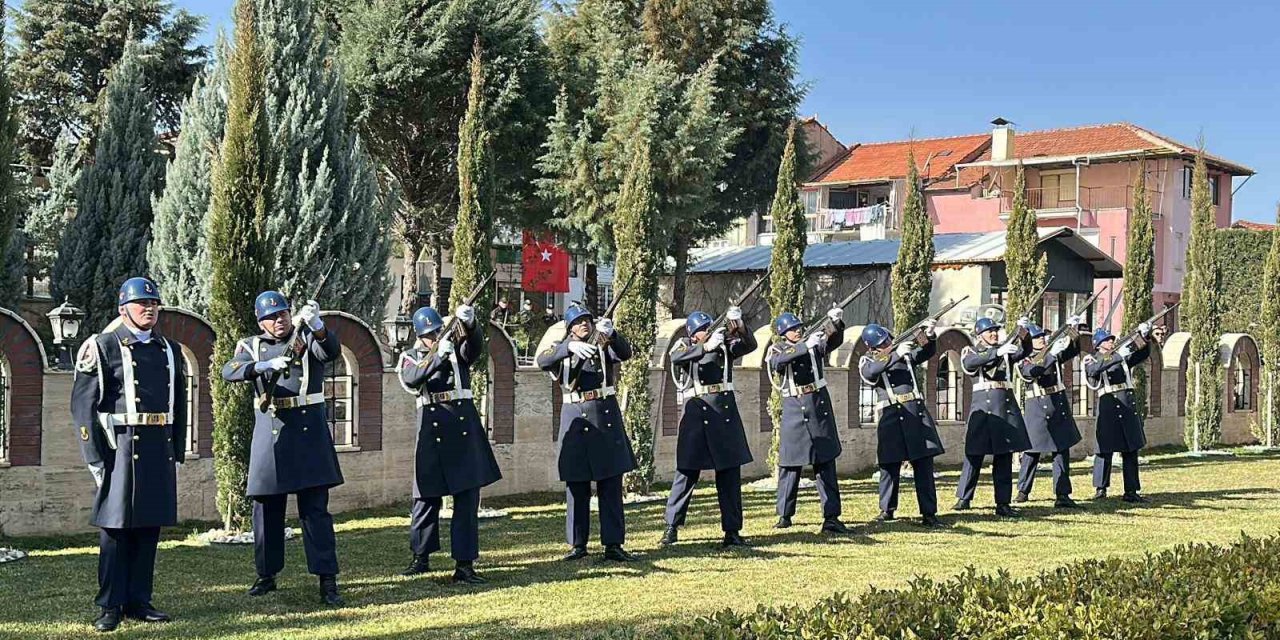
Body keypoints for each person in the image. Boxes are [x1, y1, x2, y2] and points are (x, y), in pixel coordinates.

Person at [72, 277, 187, 632]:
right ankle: (109, 606)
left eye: (153, 304)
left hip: (157, 446)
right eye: (142, 304)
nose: (149, 309)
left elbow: (178, 403)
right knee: (115, 532)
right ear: (124, 310)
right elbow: (82, 406)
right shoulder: (103, 346)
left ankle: (139, 601)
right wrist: (94, 457)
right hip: (119, 449)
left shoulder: (169, 349)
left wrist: (176, 449)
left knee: (148, 529)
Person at [221, 291, 346, 606]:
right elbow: (230, 370)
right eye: (272, 316)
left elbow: (330, 351)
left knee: (315, 511)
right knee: (266, 510)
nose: (280, 320)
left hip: (309, 432)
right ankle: (266, 574)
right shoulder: (250, 345)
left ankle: (327, 579)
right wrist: (263, 366)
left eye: (284, 313)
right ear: (261, 321)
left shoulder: (306, 336)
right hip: (272, 431)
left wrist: (318, 326)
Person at [397, 304, 503, 583]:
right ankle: (421, 556)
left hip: (462, 427)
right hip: (431, 429)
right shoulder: (408, 357)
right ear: (420, 337)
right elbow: (412, 378)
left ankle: (465, 564)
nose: (436, 337)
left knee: (467, 499)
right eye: (430, 334)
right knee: (425, 497)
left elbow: (474, 349)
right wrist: (434, 358)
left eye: (438, 332)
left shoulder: (456, 352)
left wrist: (470, 326)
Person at [537, 304, 638, 561]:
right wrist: (567, 348)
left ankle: (613, 544)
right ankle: (577, 544)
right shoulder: (561, 348)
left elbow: (625, 354)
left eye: (587, 320)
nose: (585, 324)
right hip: (577, 418)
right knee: (577, 485)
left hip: (605, 417)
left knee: (610, 484)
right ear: (570, 327)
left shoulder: (602, 342)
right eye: (579, 322)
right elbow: (543, 360)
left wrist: (613, 334)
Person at [661, 307, 756, 548]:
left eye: (709, 328)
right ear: (693, 334)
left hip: (724, 415)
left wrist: (740, 325)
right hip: (697, 415)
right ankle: (671, 526)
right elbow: (676, 357)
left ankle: (732, 531)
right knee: (686, 473)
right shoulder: (686, 345)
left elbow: (749, 345)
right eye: (703, 330)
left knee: (730, 475)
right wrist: (704, 347)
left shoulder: (725, 346)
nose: (708, 332)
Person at [767, 309, 852, 534]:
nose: (798, 331)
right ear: (784, 332)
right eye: (794, 329)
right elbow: (778, 362)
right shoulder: (779, 348)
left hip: (817, 406)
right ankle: (785, 514)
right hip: (794, 407)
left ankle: (831, 516)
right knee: (790, 464)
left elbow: (833, 340)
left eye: (799, 328)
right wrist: (805, 346)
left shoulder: (814, 345)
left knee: (825, 462)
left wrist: (835, 322)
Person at [858, 321, 945, 528]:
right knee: (889, 465)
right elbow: (871, 373)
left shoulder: (903, 355)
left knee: (923, 464)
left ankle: (929, 513)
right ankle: (887, 509)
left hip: (914, 412)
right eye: (883, 343)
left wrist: (929, 336)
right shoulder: (868, 360)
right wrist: (895, 354)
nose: (888, 343)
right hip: (891, 415)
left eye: (888, 339)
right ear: (873, 347)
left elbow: (926, 352)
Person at [954, 317, 1034, 517]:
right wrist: (997, 352)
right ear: (979, 334)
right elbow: (971, 362)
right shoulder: (972, 350)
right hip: (984, 407)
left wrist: (1023, 331)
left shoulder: (1004, 350)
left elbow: (1025, 351)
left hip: (1004, 407)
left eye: (995, 330)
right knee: (974, 455)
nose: (994, 334)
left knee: (1004, 457)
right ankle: (964, 498)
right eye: (990, 331)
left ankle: (1003, 503)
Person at [1086, 322, 1165, 502]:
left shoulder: (1119, 357)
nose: (1112, 343)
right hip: (1108, 404)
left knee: (1131, 448)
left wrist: (1145, 337)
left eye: (1112, 340)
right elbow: (1093, 370)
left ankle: (1131, 490)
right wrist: (1115, 356)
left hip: (1126, 403)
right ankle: (1100, 488)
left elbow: (1142, 354)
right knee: (1104, 449)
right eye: (1108, 341)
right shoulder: (1093, 359)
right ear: (1099, 344)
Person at [1015, 320, 1085, 508]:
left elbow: (1073, 351)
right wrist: (1051, 355)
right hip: (1038, 406)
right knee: (1032, 452)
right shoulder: (1024, 358)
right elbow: (1032, 372)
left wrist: (1073, 331)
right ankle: (1023, 490)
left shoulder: (1051, 354)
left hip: (1057, 403)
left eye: (1042, 336)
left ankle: (1062, 494)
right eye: (1037, 338)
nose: (1042, 340)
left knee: (1062, 449)